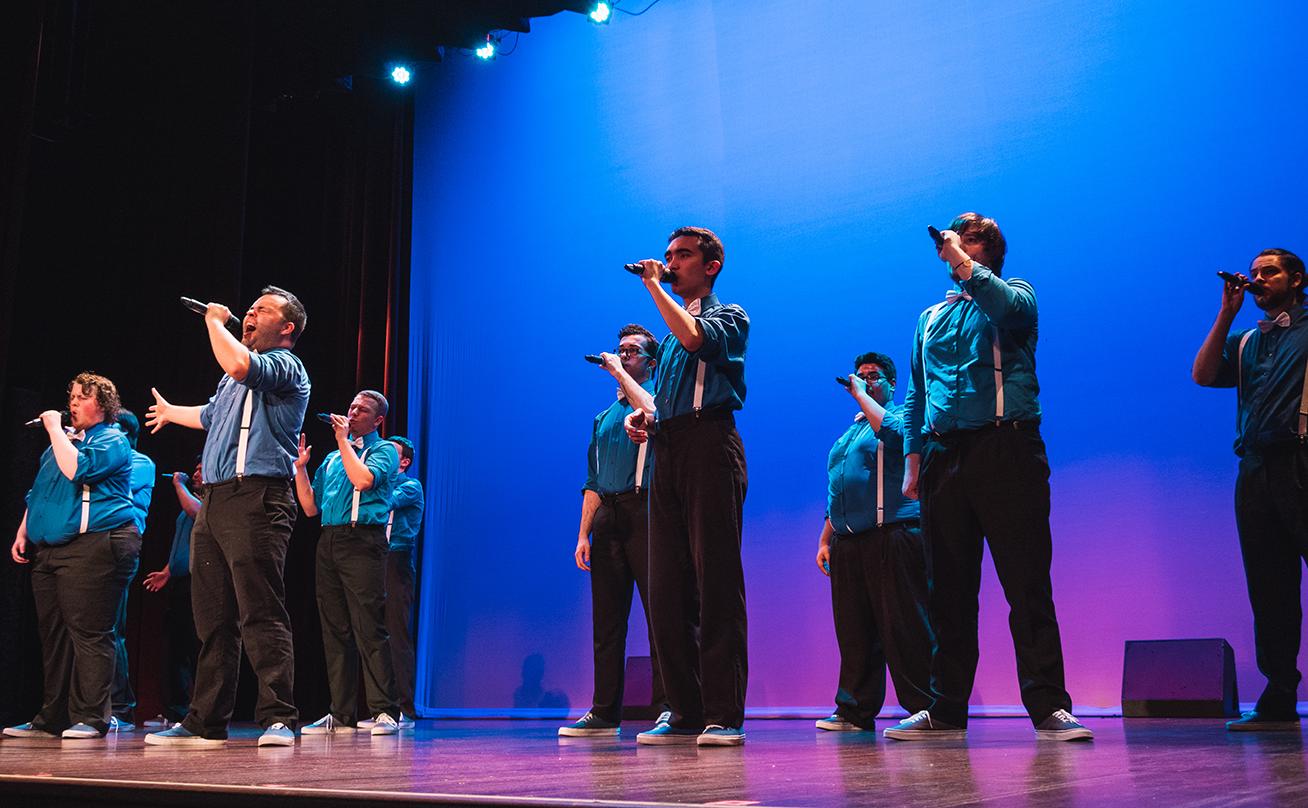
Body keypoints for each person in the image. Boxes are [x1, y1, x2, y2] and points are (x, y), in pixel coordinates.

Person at [887, 212, 1091, 742]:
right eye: (955, 242)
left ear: (991, 252)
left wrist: (962, 261)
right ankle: (946, 708)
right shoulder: (930, 316)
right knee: (947, 590)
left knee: (1025, 583)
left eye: (970, 241)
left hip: (1007, 447)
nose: (956, 247)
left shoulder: (1015, 295)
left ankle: (1049, 706)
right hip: (942, 457)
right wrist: (913, 464)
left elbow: (1005, 307)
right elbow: (915, 396)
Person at [144, 286, 309, 748]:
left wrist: (215, 321)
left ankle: (279, 716)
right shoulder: (233, 377)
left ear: (287, 327)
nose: (250, 314)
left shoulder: (285, 365)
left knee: (260, 609)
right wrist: (172, 412)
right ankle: (205, 721)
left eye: (262, 310)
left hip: (259, 497)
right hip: (216, 500)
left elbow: (239, 363)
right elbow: (213, 415)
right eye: (250, 309)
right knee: (213, 618)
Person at [616, 227, 750, 747]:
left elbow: (699, 338)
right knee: (665, 587)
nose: (671, 262)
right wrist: (648, 421)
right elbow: (671, 395)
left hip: (710, 447)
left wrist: (655, 287)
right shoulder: (669, 339)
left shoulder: (727, 315)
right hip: (669, 449)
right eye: (667, 256)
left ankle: (723, 713)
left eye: (683, 255)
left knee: (715, 579)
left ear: (710, 265)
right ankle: (683, 707)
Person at [1192, 248, 1308, 731]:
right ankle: (1279, 694)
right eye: (1256, 272)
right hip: (1256, 469)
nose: (1259, 279)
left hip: (1302, 460)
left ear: (1297, 280)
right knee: (1270, 588)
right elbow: (1201, 374)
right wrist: (1227, 312)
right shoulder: (1246, 341)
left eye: (1271, 272)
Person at [4, 373, 139, 740]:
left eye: (83, 397)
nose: (73, 404)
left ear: (104, 406)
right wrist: (24, 530)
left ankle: (92, 717)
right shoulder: (62, 444)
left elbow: (78, 469)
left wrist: (53, 430)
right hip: (51, 550)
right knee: (55, 635)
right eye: (72, 397)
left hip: (95, 545)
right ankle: (51, 718)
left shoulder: (111, 440)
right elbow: (39, 492)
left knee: (90, 634)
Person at [814, 352, 933, 733]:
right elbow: (839, 489)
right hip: (850, 542)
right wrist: (825, 539)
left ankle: (925, 705)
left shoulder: (899, 418)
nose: (867, 381)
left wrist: (861, 394)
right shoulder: (851, 432)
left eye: (875, 376)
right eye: (861, 376)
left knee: (903, 625)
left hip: (892, 536)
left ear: (892, 384)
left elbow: (897, 437)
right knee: (854, 629)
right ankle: (854, 710)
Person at [559, 324, 666, 737]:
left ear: (651, 363)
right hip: (609, 515)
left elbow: (655, 412)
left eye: (632, 351)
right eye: (620, 350)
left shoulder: (658, 400)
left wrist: (618, 372)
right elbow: (593, 482)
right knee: (607, 621)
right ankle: (604, 711)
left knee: (661, 615)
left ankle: (669, 708)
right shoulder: (603, 419)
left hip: (647, 510)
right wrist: (583, 534)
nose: (623, 356)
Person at [293, 390, 402, 736]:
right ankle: (340, 713)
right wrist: (301, 469)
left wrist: (343, 441)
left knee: (368, 626)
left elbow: (364, 480)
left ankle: (385, 711)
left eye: (362, 409)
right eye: (351, 406)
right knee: (335, 629)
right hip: (330, 540)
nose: (352, 412)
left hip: (363, 541)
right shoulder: (332, 459)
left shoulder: (383, 450)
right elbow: (310, 508)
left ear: (378, 420)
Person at [141, 458, 204, 726]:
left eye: (200, 470)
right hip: (179, 583)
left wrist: (179, 485)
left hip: (199, 584)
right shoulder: (189, 501)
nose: (195, 473)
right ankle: (175, 711)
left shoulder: (210, 499)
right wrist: (167, 570)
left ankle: (197, 712)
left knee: (194, 648)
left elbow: (195, 512)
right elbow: (182, 540)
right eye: (195, 468)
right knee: (176, 649)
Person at [372, 435, 425, 729]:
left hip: (397, 559)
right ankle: (380, 706)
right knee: (372, 631)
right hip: (374, 558)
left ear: (403, 462)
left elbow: (383, 500)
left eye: (390, 454)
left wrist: (373, 474)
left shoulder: (410, 485)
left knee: (397, 633)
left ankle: (404, 707)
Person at [108, 409, 155, 732]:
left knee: (110, 629)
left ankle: (121, 709)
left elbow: (110, 488)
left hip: (118, 545)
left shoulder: (139, 462)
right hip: (90, 544)